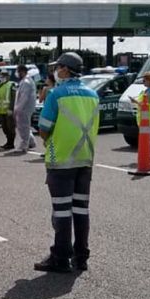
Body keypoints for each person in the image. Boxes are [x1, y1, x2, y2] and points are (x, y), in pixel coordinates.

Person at [35, 52, 99, 273]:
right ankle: (81, 257)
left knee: (62, 212)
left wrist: (52, 143)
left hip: (61, 159)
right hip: (85, 160)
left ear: (65, 69)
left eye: (58, 67)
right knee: (81, 210)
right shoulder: (93, 95)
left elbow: (44, 129)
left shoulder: (56, 94)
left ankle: (60, 258)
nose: (56, 70)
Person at [129, 72, 150, 157]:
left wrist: (135, 101)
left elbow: (145, 104)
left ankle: (149, 153)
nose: (143, 82)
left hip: (149, 118)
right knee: (149, 137)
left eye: (145, 80)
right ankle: (149, 152)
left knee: (148, 138)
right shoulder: (148, 90)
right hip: (148, 118)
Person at [13, 65, 37, 153]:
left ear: (22, 72)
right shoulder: (25, 81)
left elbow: (24, 97)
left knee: (23, 126)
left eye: (18, 71)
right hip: (24, 107)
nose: (17, 74)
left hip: (24, 108)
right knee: (24, 125)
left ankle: (24, 145)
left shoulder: (26, 82)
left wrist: (18, 109)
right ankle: (31, 142)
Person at [0, 70, 17, 150]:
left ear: (8, 77)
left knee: (10, 127)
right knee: (4, 128)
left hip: (8, 110)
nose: (2, 77)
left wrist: (11, 108)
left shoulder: (11, 85)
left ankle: (11, 143)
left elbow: (14, 98)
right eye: (1, 76)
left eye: (4, 76)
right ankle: (8, 142)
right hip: (1, 110)